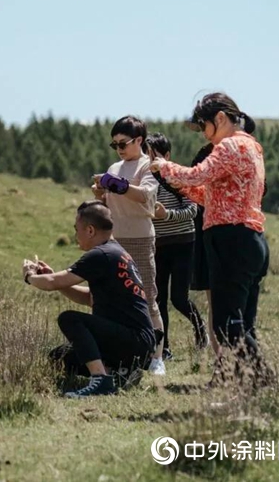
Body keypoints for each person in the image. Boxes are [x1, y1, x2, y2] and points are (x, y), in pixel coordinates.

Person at [150, 92, 274, 388]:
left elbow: (197, 175)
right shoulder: (252, 147)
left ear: (220, 119)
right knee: (243, 323)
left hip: (229, 239)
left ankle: (265, 379)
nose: (204, 134)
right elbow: (209, 193)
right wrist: (178, 183)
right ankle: (254, 386)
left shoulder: (230, 145)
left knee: (225, 324)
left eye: (204, 126)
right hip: (251, 239)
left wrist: (162, 167)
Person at [22, 201, 156, 397]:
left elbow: (50, 282)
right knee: (60, 357)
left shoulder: (100, 254)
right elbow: (91, 299)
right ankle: (121, 371)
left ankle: (101, 380)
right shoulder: (115, 252)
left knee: (69, 318)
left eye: (77, 230)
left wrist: (30, 277)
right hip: (137, 342)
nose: (76, 235)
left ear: (90, 230)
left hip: (133, 341)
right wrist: (60, 283)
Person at [91, 116, 166, 375]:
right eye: (115, 145)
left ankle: (157, 357)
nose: (119, 149)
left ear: (139, 141)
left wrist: (113, 184)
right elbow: (110, 200)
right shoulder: (114, 167)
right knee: (111, 298)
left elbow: (144, 196)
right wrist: (101, 192)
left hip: (140, 238)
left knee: (147, 297)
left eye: (123, 143)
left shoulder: (149, 167)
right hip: (114, 239)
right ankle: (116, 356)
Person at [146, 133, 208, 360]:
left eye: (155, 154)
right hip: (158, 246)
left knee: (178, 299)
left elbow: (193, 211)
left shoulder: (176, 176)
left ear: (167, 156)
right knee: (159, 299)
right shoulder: (143, 181)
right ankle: (165, 348)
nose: (150, 159)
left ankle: (201, 329)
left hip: (184, 243)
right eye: (146, 154)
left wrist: (167, 214)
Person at [188, 143, 221, 356]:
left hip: (216, 234)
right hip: (209, 233)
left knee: (218, 302)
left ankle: (225, 361)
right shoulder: (207, 153)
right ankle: (221, 361)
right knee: (215, 301)